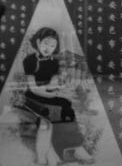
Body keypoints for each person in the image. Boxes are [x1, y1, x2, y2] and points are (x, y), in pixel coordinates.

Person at [21, 27, 93, 165]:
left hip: (48, 93)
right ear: (38, 41)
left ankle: (77, 147)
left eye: (53, 45)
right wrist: (51, 92)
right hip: (32, 96)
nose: (49, 48)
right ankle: (47, 155)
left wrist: (56, 89)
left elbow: (53, 83)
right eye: (46, 44)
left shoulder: (54, 61)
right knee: (50, 115)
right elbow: (34, 88)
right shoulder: (29, 60)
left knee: (66, 105)